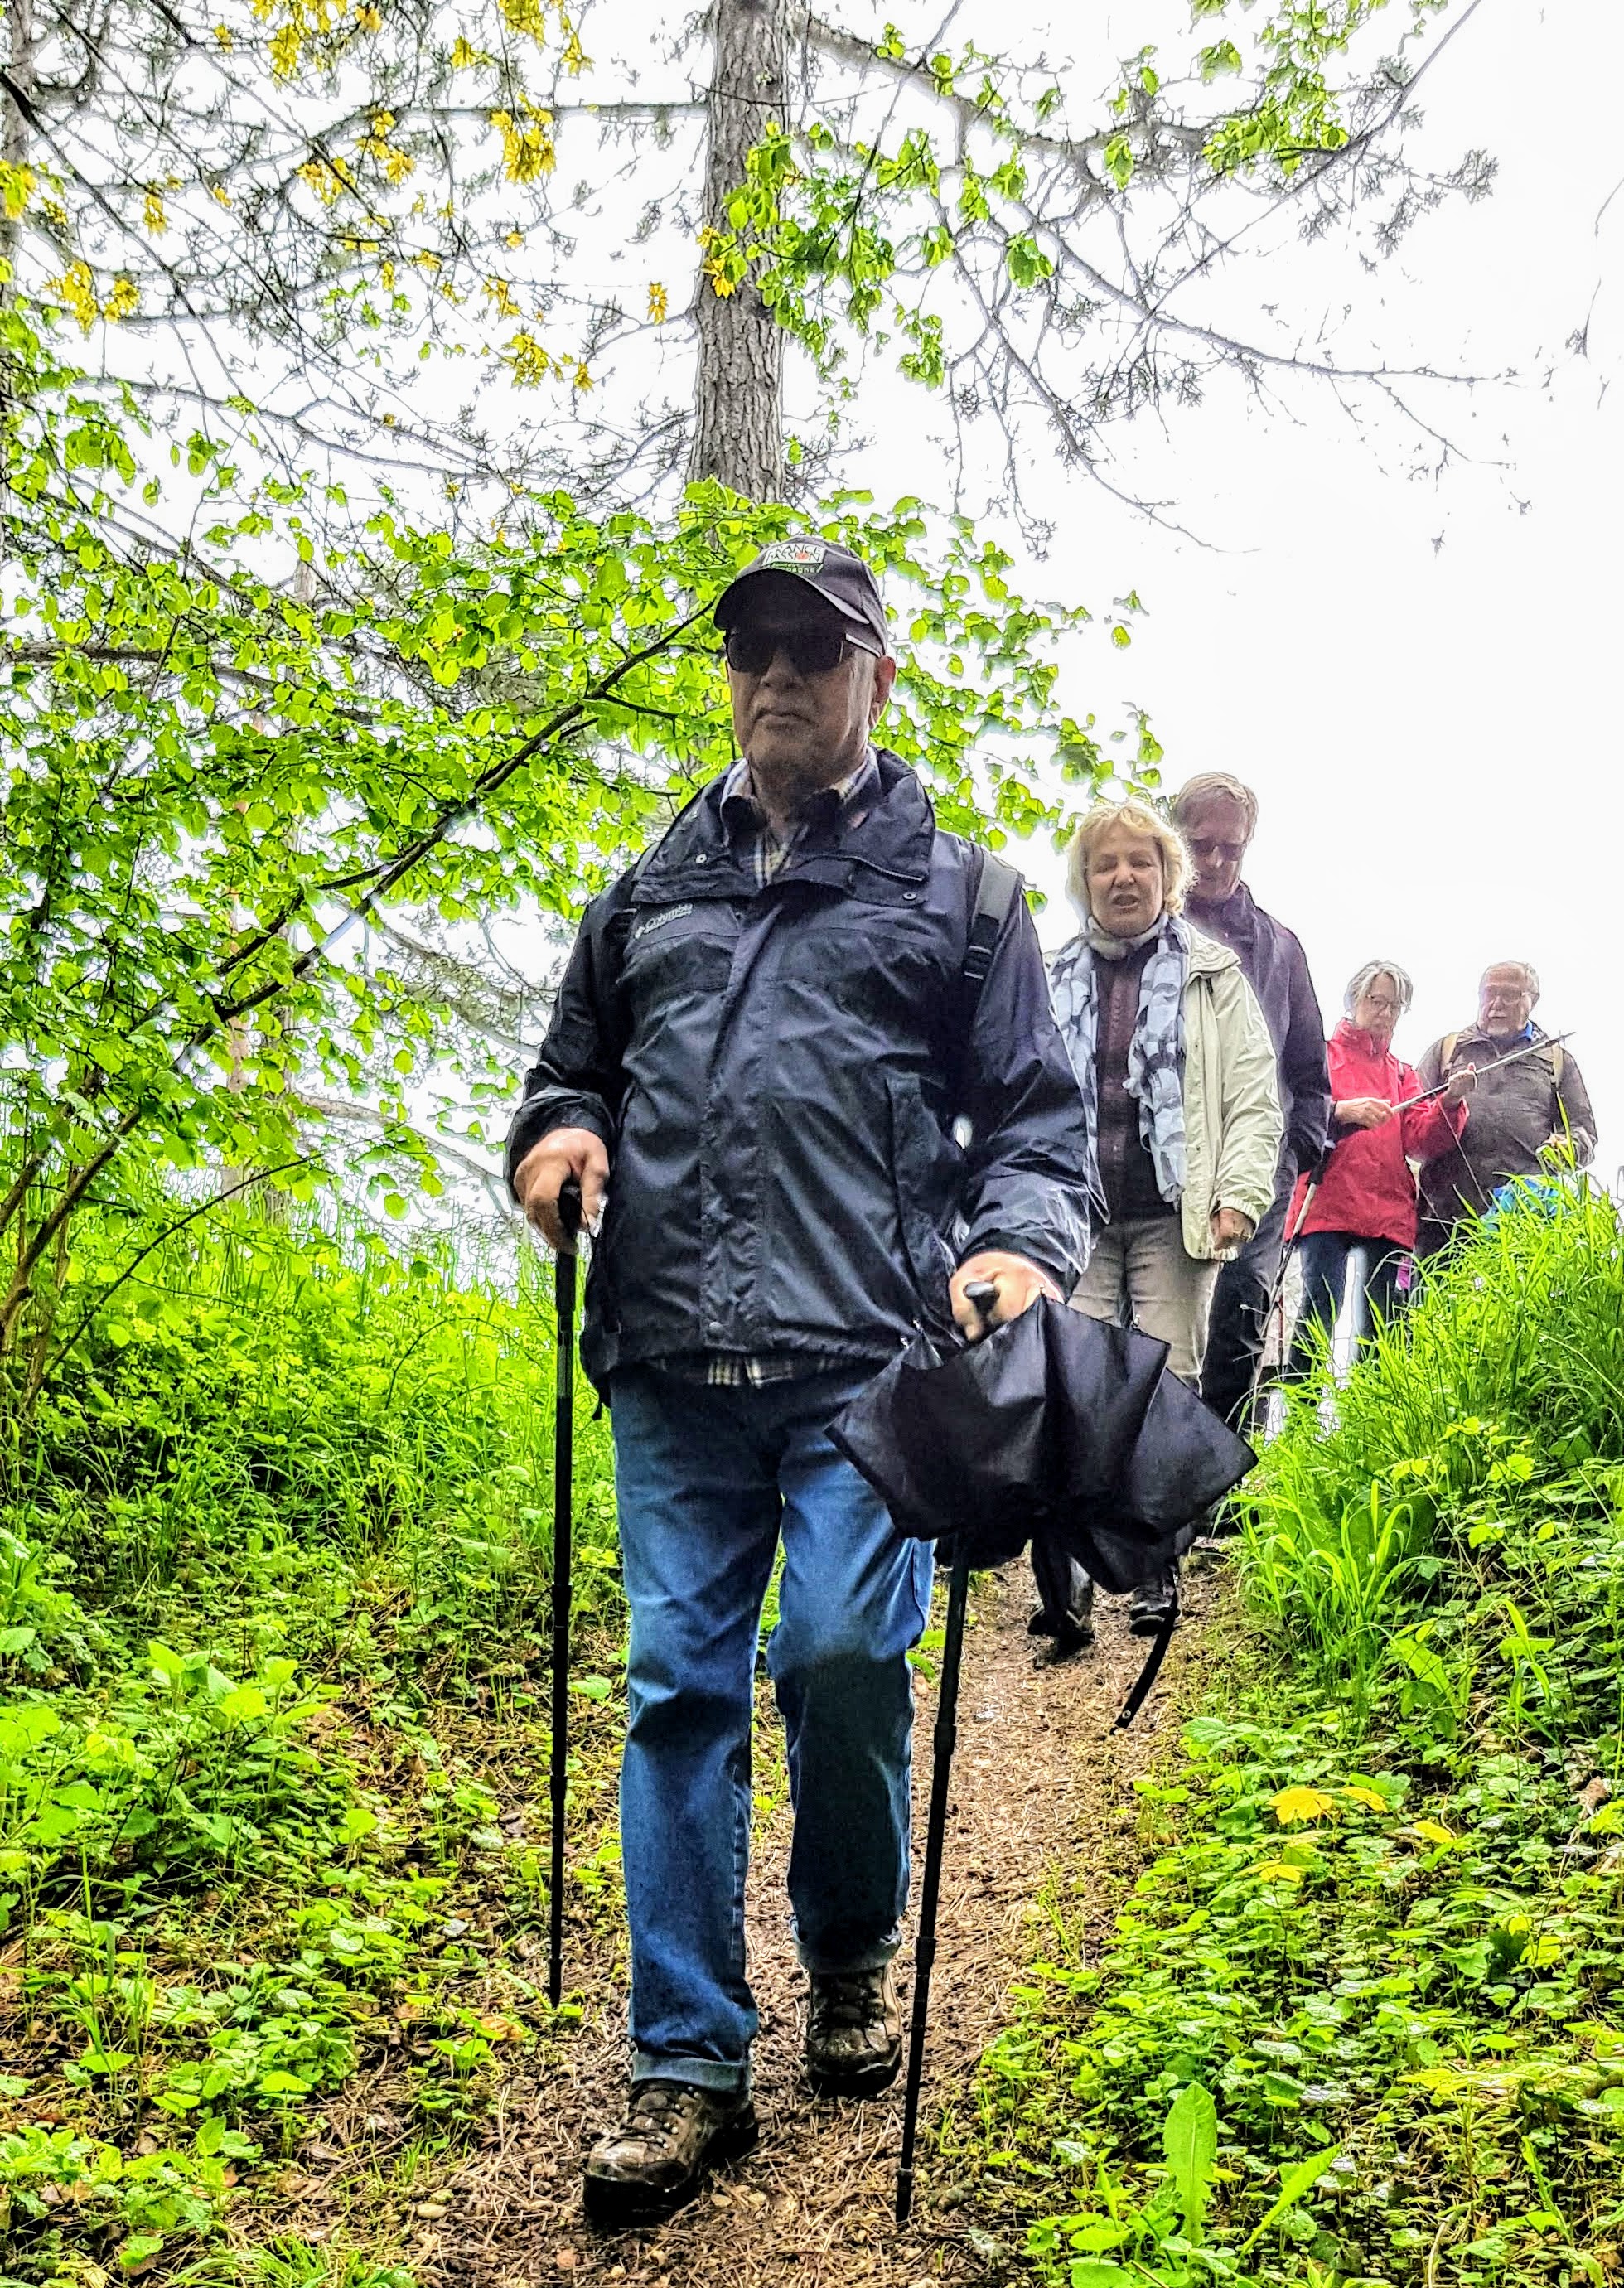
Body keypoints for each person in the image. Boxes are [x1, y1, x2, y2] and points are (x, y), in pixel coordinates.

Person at [505, 536, 1093, 2224]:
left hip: (866, 1359)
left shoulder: (965, 896)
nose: (776, 675)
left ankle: (845, 1949)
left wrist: (1017, 1243)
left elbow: (1034, 1121)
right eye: (752, 649)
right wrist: (558, 1139)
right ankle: (688, 2059)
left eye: (813, 651)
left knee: (839, 1654)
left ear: (874, 678)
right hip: (670, 1356)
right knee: (677, 1690)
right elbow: (570, 1072)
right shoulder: (647, 886)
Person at [1040, 797, 1282, 1649]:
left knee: (1166, 1391)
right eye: (1104, 863)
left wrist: (1240, 1193)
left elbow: (1254, 1099)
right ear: (1084, 880)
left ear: (1166, 874)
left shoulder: (1215, 976)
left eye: (1139, 861)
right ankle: (1068, 1578)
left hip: (1174, 1215)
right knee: (1071, 1390)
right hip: (1072, 1216)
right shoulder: (1051, 976)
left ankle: (1152, 1568)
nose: (1123, 877)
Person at [1172, 773, 1332, 1434]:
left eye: (1230, 848)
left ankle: (1220, 1477)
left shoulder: (1281, 948)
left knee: (1238, 1319)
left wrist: (1296, 1153)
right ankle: (1139, 1475)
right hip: (1164, 1159)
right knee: (1156, 1323)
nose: (1214, 861)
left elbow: (1311, 1070)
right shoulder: (1147, 928)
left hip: (1258, 1167)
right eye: (1199, 843)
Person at [1285, 960, 1475, 1377]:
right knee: (1319, 1309)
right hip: (1326, 1202)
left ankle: (1372, 1413)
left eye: (1395, 1006)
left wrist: (1450, 1101)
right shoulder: (1321, 1057)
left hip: (1388, 1212)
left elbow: (1421, 1141)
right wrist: (1340, 1111)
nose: (1385, 1013)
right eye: (1377, 1001)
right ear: (1354, 999)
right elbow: (1292, 1112)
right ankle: (1301, 1411)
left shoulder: (1403, 1074)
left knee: (1387, 1322)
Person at [1414, 962, 1595, 1257]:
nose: (1496, 1004)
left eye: (1509, 995)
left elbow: (1584, 1132)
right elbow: (1412, 1122)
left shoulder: (1556, 1060)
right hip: (1443, 1218)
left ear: (1532, 1000)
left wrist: (1568, 1147)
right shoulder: (1448, 1051)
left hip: (1524, 1219)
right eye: (1489, 994)